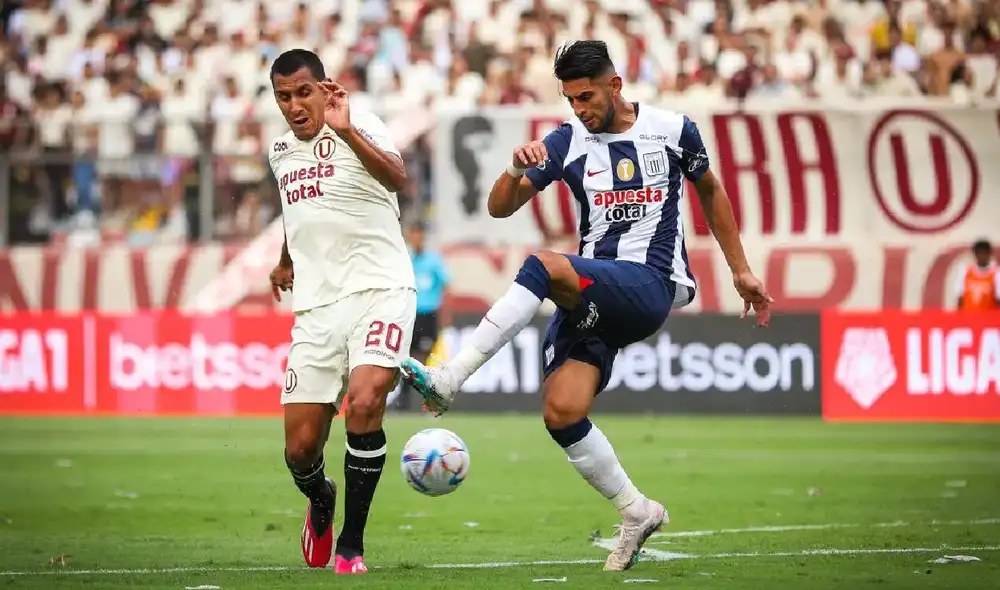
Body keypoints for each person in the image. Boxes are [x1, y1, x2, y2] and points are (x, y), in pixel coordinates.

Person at [399, 40, 772, 572]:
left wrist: (740, 269)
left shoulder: (672, 130)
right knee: (562, 410)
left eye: (586, 96)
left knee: (544, 266)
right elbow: (500, 207)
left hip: (650, 284)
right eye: (570, 99)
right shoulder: (568, 140)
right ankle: (637, 510)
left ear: (615, 85)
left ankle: (450, 378)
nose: (579, 109)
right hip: (595, 291)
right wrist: (512, 170)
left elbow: (710, 190)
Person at [266, 49, 416, 575]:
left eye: (302, 92)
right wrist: (285, 261)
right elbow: (296, 208)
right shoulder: (280, 150)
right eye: (283, 96)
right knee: (300, 450)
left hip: (381, 286)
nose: (294, 105)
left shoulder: (360, 122)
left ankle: (352, 544)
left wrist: (348, 130)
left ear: (323, 87)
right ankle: (322, 497)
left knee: (366, 399)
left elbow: (399, 178)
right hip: (317, 303)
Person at [389, 223, 451, 409]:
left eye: (419, 234)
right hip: (409, 315)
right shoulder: (404, 259)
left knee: (423, 358)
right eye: (413, 234)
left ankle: (426, 401)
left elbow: (446, 287)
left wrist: (445, 315)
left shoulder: (433, 260)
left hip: (428, 315)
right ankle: (406, 403)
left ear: (423, 236)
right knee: (405, 358)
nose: (416, 238)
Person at [954, 239, 999, 311]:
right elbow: (960, 298)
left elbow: (998, 301)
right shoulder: (965, 272)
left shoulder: (996, 273)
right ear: (974, 254)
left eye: (985, 253)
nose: (982, 256)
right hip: (968, 319)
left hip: (988, 320)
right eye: (979, 253)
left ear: (990, 254)